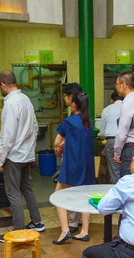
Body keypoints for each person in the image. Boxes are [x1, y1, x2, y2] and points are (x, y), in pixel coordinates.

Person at [0, 70, 44, 243]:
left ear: (2, 84)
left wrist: (1, 159)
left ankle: (17, 230)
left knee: (14, 193)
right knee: (27, 188)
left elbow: (7, 135)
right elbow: (36, 127)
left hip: (14, 156)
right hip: (26, 154)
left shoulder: (10, 104)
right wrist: (29, 148)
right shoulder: (26, 100)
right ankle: (37, 221)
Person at [52, 92, 97, 245]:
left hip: (72, 164)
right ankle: (84, 231)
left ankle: (65, 230)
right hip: (87, 165)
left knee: (58, 195)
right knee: (86, 197)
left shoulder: (69, 122)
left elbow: (57, 142)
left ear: (74, 105)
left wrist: (59, 147)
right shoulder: (89, 123)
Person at [61, 82, 84, 233]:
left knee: (67, 190)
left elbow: (59, 140)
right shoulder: (85, 116)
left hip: (72, 157)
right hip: (82, 157)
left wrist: (60, 145)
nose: (64, 99)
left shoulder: (71, 119)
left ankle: (71, 224)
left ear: (70, 98)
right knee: (81, 188)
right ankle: (80, 220)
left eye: (65, 96)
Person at [99, 90, 123, 183]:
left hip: (111, 140)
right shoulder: (128, 107)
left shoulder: (106, 109)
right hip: (126, 141)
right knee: (127, 168)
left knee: (114, 170)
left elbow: (102, 132)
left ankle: (115, 189)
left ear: (112, 100)